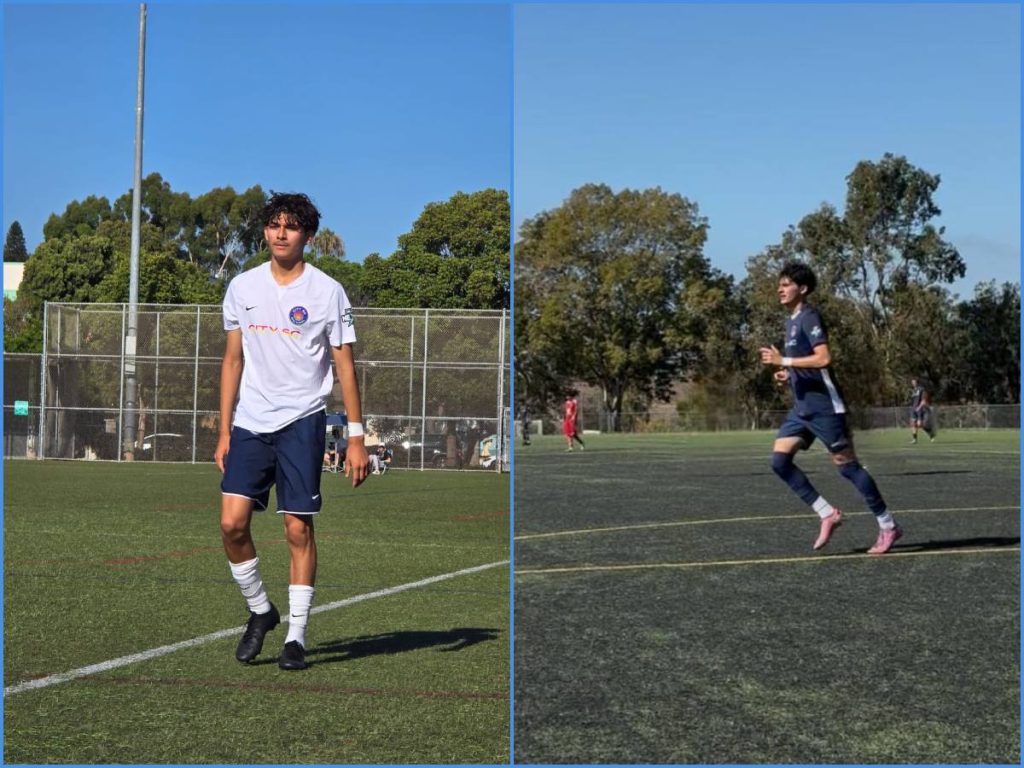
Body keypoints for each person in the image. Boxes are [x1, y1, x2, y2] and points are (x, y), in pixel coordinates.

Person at [215, 192, 369, 672]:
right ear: (265, 231)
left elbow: (345, 367)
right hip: (250, 422)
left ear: (308, 235)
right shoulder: (242, 287)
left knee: (297, 527)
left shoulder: (328, 291)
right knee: (231, 524)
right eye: (274, 225)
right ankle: (261, 610)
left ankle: (296, 637)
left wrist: (356, 437)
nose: (281, 233)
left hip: (303, 420)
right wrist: (224, 431)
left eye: (292, 226)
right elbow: (233, 360)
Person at [759, 261, 902, 555]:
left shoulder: (809, 316)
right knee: (779, 462)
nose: (780, 289)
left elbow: (823, 358)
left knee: (848, 468)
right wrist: (788, 374)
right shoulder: (790, 321)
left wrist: (784, 361)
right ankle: (827, 513)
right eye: (779, 285)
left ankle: (888, 526)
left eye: (786, 284)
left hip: (825, 408)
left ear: (803, 289)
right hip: (802, 410)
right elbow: (805, 364)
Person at [909, 378, 936, 443]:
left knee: (920, 425)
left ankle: (931, 433)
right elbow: (913, 400)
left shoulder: (921, 389)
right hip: (913, 409)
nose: (913, 383)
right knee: (913, 424)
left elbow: (923, 400)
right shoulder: (913, 390)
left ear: (917, 382)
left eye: (914, 382)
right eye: (912, 382)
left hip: (920, 409)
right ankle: (915, 439)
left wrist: (919, 407)